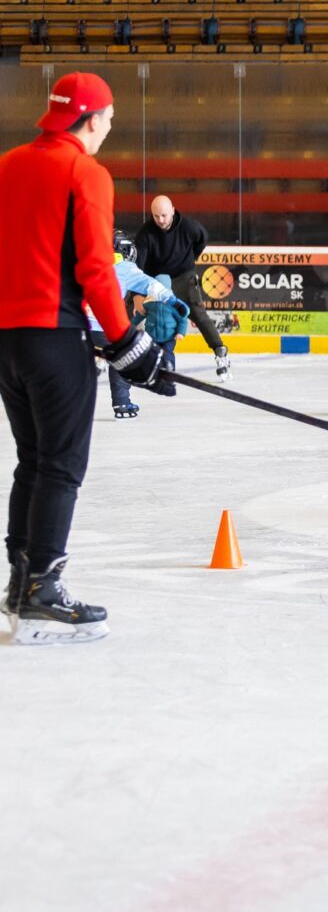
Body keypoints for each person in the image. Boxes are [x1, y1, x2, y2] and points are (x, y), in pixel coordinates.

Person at [0, 71, 167, 645]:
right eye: (109, 120)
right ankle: (41, 590)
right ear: (90, 119)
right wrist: (127, 342)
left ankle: (21, 581)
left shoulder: (8, 165)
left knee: (33, 460)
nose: (109, 129)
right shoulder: (85, 172)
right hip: (56, 338)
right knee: (61, 464)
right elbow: (97, 269)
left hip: (8, 341)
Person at [87, 229, 187, 420]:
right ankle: (122, 403)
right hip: (104, 327)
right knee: (123, 360)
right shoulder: (124, 267)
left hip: (76, 327)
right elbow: (151, 285)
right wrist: (173, 301)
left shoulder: (85, 261)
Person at [134, 194, 231, 381]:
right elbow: (138, 266)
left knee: (198, 313)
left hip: (183, 277)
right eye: (156, 216)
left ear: (172, 210)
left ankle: (221, 352)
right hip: (154, 280)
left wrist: (188, 260)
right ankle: (110, 353)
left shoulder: (189, 227)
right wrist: (137, 295)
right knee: (130, 310)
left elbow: (201, 240)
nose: (160, 220)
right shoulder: (145, 233)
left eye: (164, 215)